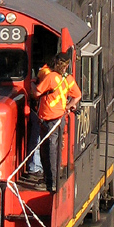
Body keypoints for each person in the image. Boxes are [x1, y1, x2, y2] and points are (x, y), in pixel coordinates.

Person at [34, 51, 81, 193]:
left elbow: (36, 93)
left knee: (48, 151)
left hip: (49, 120)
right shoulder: (69, 79)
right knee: (54, 150)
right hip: (59, 119)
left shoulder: (51, 77)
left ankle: (51, 182)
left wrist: (31, 84)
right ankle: (51, 179)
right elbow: (77, 95)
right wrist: (67, 107)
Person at [24, 60, 51, 175]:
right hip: (41, 112)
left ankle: (36, 165)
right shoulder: (47, 73)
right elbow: (38, 92)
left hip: (46, 111)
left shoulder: (45, 72)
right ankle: (34, 166)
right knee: (37, 139)